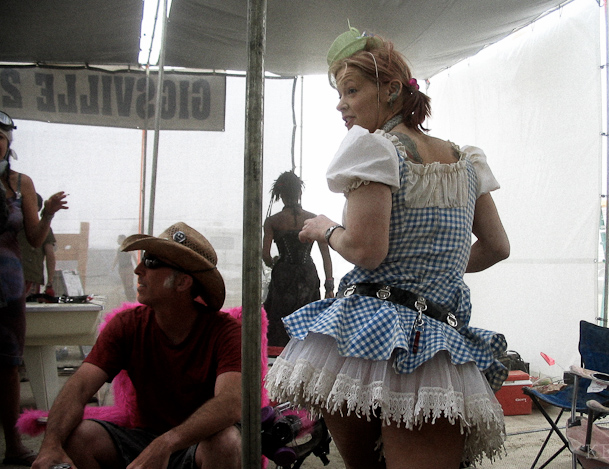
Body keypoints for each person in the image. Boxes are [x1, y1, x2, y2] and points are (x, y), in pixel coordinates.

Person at [265, 27, 511, 468]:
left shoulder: (375, 149)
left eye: (352, 90)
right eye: (340, 94)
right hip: (435, 338)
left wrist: (324, 228)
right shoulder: (467, 160)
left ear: (392, 89)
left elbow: (365, 251)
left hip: (362, 338)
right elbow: (496, 247)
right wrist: (436, 270)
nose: (341, 104)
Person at [31, 222, 242, 469]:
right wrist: (51, 445)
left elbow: (231, 403)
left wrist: (166, 443)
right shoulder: (127, 325)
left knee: (226, 442)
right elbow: (79, 387)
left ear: (183, 282)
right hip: (144, 438)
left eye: (151, 262)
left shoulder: (224, 331)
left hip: (199, 444)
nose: (139, 270)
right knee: (79, 437)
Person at [1, 110, 67, 466]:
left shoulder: (20, 183)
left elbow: (34, 237)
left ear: (8, 144)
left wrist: (49, 213)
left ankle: (13, 444)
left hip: (8, 283)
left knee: (9, 364)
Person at [262, 171, 334, 347]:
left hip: (283, 277)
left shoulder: (273, 221)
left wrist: (275, 262)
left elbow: (265, 255)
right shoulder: (313, 219)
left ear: (280, 195)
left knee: (280, 326)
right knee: (308, 327)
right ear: (299, 193)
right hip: (308, 275)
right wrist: (329, 286)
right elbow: (326, 256)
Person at [19, 194, 57, 298]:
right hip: (9, 276)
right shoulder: (10, 227)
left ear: (38, 208)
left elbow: (50, 255)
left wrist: (50, 282)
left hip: (31, 278)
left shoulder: (44, 229)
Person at [111, 234, 136, 302]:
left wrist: (137, 264)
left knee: (129, 284)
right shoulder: (119, 249)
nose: (117, 241)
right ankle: (129, 299)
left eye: (119, 239)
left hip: (128, 268)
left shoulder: (128, 248)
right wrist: (113, 266)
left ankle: (133, 299)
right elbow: (117, 258)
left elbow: (133, 255)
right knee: (125, 285)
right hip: (121, 268)